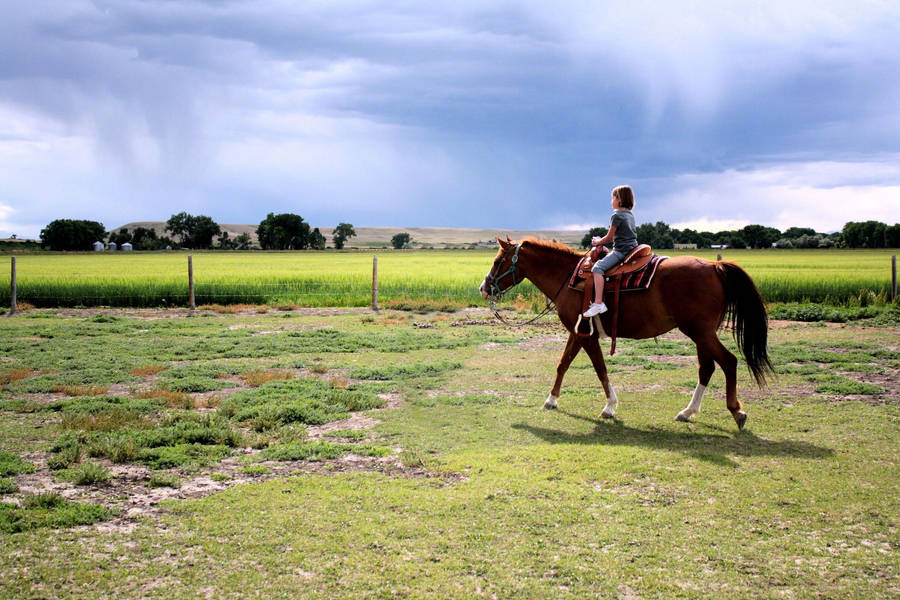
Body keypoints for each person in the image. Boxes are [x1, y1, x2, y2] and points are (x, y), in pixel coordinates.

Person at [583, 185, 638, 317]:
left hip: (621, 251)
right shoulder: (629, 214)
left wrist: (597, 242)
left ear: (619, 199)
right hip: (633, 247)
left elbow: (609, 237)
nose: (611, 201)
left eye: (613, 198)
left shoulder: (616, 215)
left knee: (597, 268)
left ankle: (598, 303)